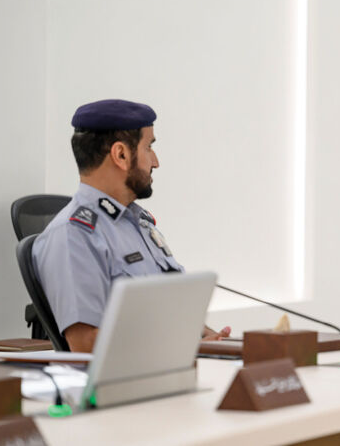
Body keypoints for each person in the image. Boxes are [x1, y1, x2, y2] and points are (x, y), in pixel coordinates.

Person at [33, 99, 230, 351]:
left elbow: (174, 313)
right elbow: (85, 344)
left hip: (170, 372)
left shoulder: (139, 224)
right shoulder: (73, 235)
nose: (155, 161)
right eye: (149, 147)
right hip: (120, 387)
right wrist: (184, 349)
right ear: (121, 155)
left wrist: (218, 343)